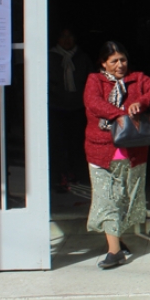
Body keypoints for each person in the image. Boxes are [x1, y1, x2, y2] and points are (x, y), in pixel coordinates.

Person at [83, 41, 150, 270]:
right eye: (114, 61)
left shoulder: (138, 79)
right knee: (107, 198)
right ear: (103, 63)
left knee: (126, 198)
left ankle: (116, 238)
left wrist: (142, 102)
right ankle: (115, 251)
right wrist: (121, 116)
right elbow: (93, 103)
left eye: (123, 60)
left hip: (133, 152)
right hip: (101, 150)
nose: (120, 65)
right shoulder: (94, 80)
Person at [48, 27, 93, 191]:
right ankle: (60, 175)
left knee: (76, 142)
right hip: (55, 107)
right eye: (63, 36)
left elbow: (90, 81)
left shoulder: (82, 58)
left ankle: (75, 174)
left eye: (70, 36)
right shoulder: (49, 56)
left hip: (78, 107)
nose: (67, 40)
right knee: (57, 143)